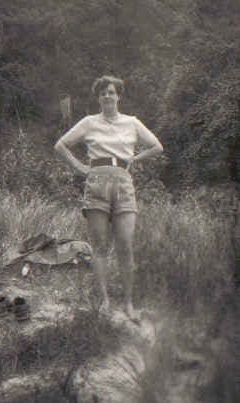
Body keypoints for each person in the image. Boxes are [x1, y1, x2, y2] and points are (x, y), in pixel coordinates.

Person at [55, 75, 163, 320]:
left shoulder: (132, 122)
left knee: (125, 244)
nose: (107, 96)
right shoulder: (89, 122)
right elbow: (60, 145)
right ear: (98, 97)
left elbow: (157, 146)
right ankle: (104, 300)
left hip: (124, 184)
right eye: (103, 92)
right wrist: (81, 168)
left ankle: (128, 303)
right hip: (96, 184)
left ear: (119, 96)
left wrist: (135, 159)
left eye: (111, 92)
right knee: (100, 246)